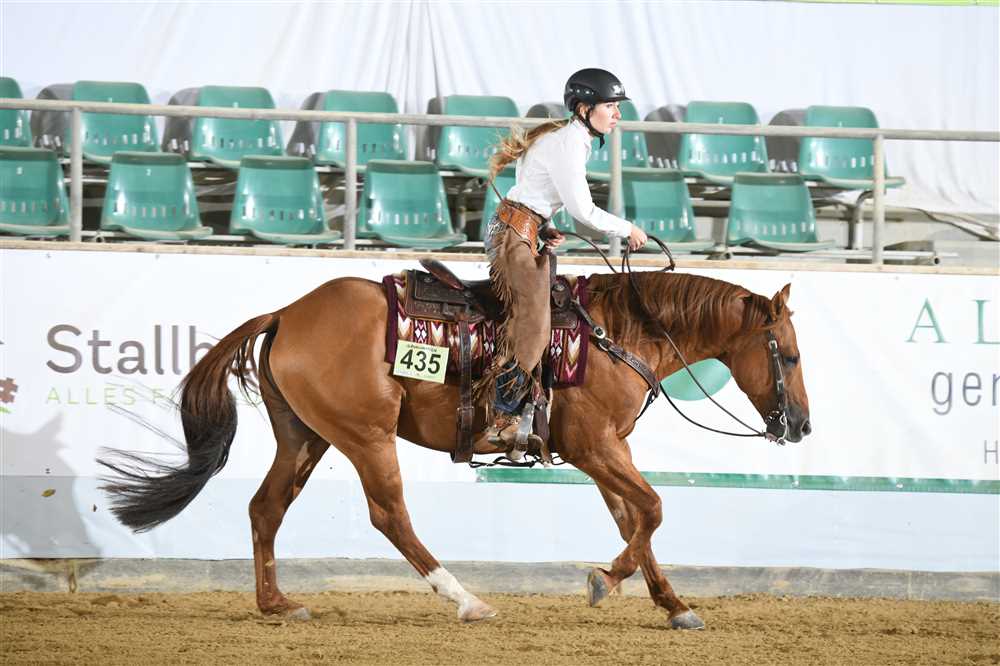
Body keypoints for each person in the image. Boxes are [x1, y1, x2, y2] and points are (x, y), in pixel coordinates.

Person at [481, 68, 649, 451]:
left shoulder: (566, 138)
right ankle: (501, 417)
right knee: (535, 323)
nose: (617, 114)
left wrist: (543, 225)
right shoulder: (570, 143)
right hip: (514, 235)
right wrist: (627, 229)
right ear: (585, 109)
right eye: (610, 106)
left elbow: (529, 183)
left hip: (519, 229)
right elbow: (583, 211)